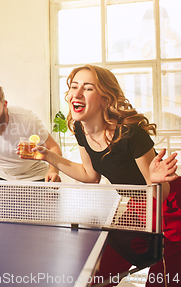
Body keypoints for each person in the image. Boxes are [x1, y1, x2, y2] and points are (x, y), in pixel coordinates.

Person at [28, 64, 180, 286]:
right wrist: (48, 156)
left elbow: (159, 192)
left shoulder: (130, 134)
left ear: (105, 99)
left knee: (162, 282)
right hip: (138, 207)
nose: (77, 94)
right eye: (73, 87)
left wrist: (156, 181)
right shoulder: (81, 129)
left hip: (168, 204)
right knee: (98, 275)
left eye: (88, 88)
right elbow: (90, 174)